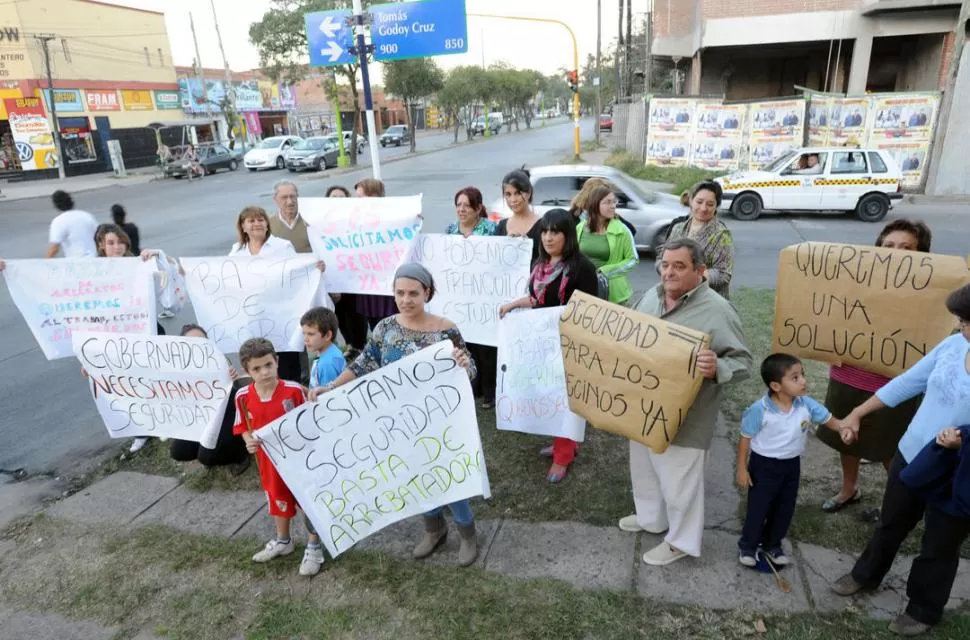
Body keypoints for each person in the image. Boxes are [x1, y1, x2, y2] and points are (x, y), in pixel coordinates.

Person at [830, 284, 970, 636]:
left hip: (958, 470)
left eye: (968, 321)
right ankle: (866, 574)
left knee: (940, 543)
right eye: (962, 320)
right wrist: (860, 412)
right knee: (891, 522)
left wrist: (963, 440)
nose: (962, 328)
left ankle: (923, 607)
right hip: (913, 453)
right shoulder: (954, 345)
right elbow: (909, 382)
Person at [318, 263, 480, 566]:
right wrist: (331, 386)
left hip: (439, 419)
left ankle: (467, 532)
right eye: (400, 293)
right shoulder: (385, 328)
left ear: (427, 293)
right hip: (399, 422)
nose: (406, 299)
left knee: (447, 475)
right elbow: (365, 363)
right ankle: (434, 529)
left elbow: (470, 370)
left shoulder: (446, 329)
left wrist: (462, 362)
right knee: (415, 474)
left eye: (413, 293)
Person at [620, 238, 752, 566]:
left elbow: (744, 362)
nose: (669, 272)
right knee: (645, 469)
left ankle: (680, 541)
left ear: (700, 271)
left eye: (680, 266)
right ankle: (651, 518)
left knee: (679, 483)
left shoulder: (718, 310)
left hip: (688, 416)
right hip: (644, 408)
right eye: (665, 265)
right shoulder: (651, 295)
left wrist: (717, 366)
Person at [817, 219, 932, 517]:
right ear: (878, 248)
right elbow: (833, 315)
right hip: (848, 375)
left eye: (906, 248)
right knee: (847, 436)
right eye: (889, 246)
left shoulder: (929, 294)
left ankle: (894, 502)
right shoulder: (855, 281)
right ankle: (849, 489)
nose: (895, 252)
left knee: (891, 448)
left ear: (922, 254)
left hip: (894, 385)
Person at [499, 209, 599, 483]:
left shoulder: (582, 268)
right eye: (544, 231)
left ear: (568, 236)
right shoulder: (540, 265)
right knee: (549, 396)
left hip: (569, 346)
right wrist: (511, 305)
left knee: (564, 400)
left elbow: (590, 312)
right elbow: (537, 300)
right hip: (543, 346)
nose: (548, 237)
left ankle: (563, 456)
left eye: (555, 231)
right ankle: (563, 444)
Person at [736, 353, 850, 567]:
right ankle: (748, 546)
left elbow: (829, 419)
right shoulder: (759, 410)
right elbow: (745, 439)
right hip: (763, 466)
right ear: (776, 386)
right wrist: (742, 468)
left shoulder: (806, 404)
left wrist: (843, 428)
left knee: (785, 507)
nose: (803, 381)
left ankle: (772, 545)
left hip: (791, 466)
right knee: (758, 507)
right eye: (795, 378)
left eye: (802, 375)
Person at [234, 337, 325, 576]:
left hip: (298, 461)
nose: (264, 372)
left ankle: (314, 545)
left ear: (277, 362)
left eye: (268, 365)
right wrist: (248, 441)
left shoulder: (294, 391)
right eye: (256, 368)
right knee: (277, 499)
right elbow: (242, 425)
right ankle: (283, 541)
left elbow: (309, 424)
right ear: (247, 370)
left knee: (307, 501)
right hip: (268, 463)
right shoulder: (242, 396)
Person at [168, 324, 250, 473]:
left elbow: (236, 391)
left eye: (203, 341)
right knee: (179, 451)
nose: (200, 346)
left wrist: (231, 378)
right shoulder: (179, 367)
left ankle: (240, 455)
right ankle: (213, 448)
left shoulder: (218, 359)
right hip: (201, 416)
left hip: (225, 414)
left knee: (207, 457)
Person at [447, 187, 497, 409]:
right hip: (459, 298)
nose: (461, 209)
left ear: (478, 208)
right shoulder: (449, 230)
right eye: (458, 205)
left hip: (485, 297)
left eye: (466, 205)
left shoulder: (491, 229)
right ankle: (472, 388)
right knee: (465, 344)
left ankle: (489, 392)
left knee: (486, 348)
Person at [661, 180, 734, 299]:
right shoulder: (677, 228)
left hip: (707, 301)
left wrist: (691, 276)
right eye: (699, 202)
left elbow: (723, 274)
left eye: (710, 204)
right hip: (677, 297)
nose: (703, 208)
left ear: (716, 206)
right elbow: (662, 258)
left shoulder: (722, 235)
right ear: (691, 201)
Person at [576, 186, 638, 306]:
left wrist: (606, 271)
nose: (613, 206)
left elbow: (633, 260)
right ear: (595, 204)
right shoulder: (580, 228)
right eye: (608, 202)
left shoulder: (622, 230)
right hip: (584, 290)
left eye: (614, 202)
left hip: (614, 296)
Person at [324, 185, 366, 359]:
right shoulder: (321, 222)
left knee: (356, 313)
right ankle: (351, 344)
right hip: (333, 277)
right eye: (334, 197)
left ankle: (360, 344)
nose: (338, 200)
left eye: (342, 196)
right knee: (340, 314)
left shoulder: (357, 220)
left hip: (355, 275)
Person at [353, 178, 397, 330]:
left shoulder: (394, 217)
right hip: (368, 285)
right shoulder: (354, 220)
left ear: (373, 197)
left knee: (392, 324)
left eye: (360, 197)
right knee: (375, 326)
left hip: (387, 285)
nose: (356, 202)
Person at [494, 168, 541, 264]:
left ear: (529, 193)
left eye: (518, 193)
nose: (513, 199)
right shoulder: (501, 226)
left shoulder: (543, 225)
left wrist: (526, 245)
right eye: (508, 194)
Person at [566, 177, 637, 238]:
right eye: (605, 198)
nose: (611, 205)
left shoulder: (609, 215)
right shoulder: (573, 216)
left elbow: (631, 231)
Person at [300, 307, 345, 400]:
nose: (305, 339)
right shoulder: (331, 351)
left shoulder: (326, 364)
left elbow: (326, 398)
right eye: (304, 333)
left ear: (328, 335)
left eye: (311, 334)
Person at [47, 190, 98, 258]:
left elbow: (54, 248)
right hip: (95, 259)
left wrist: (46, 263)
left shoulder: (59, 221)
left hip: (76, 262)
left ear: (56, 205)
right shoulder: (87, 216)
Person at [229, 206, 296, 257]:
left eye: (260, 220)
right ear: (243, 227)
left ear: (267, 225)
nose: (257, 224)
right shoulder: (236, 250)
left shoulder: (284, 246)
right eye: (251, 221)